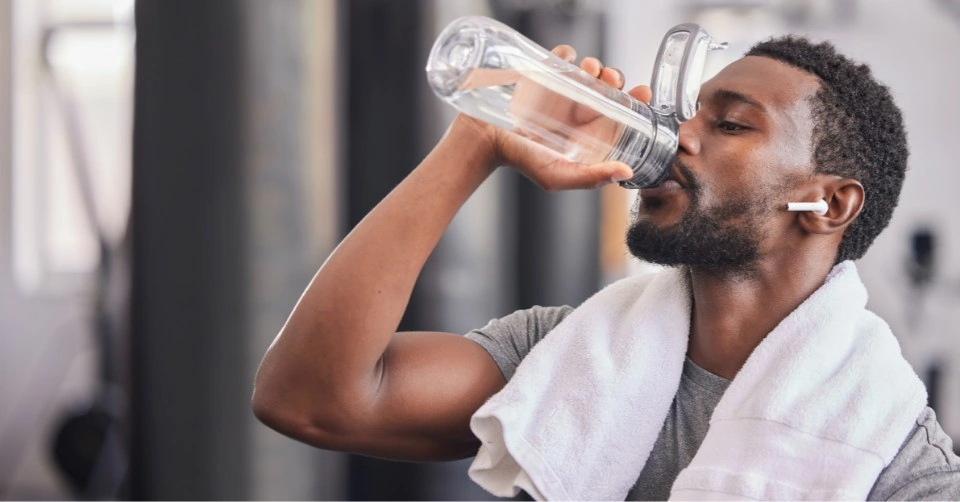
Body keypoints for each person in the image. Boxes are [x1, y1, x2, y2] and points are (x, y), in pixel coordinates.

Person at [252, 33, 960, 500]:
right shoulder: (566, 355)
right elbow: (309, 400)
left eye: (730, 124)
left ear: (828, 204)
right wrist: (475, 144)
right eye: (689, 114)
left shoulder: (895, 459)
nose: (678, 135)